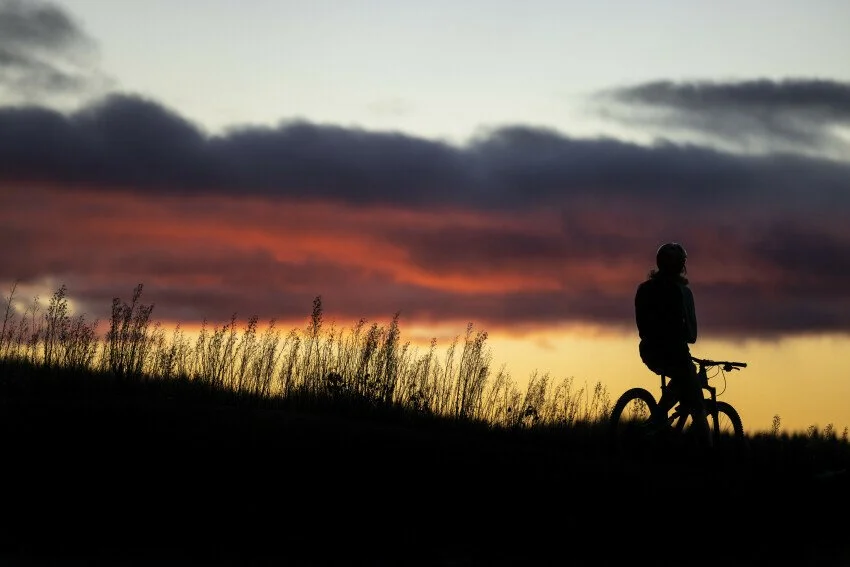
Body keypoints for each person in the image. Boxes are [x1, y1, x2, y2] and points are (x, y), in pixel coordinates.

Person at [634, 242, 712, 449]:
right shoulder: (682, 292)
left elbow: (641, 326)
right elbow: (691, 334)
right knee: (697, 404)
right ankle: (711, 454)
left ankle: (658, 419)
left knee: (678, 377)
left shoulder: (644, 289)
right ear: (680, 266)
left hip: (649, 351)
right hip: (675, 352)